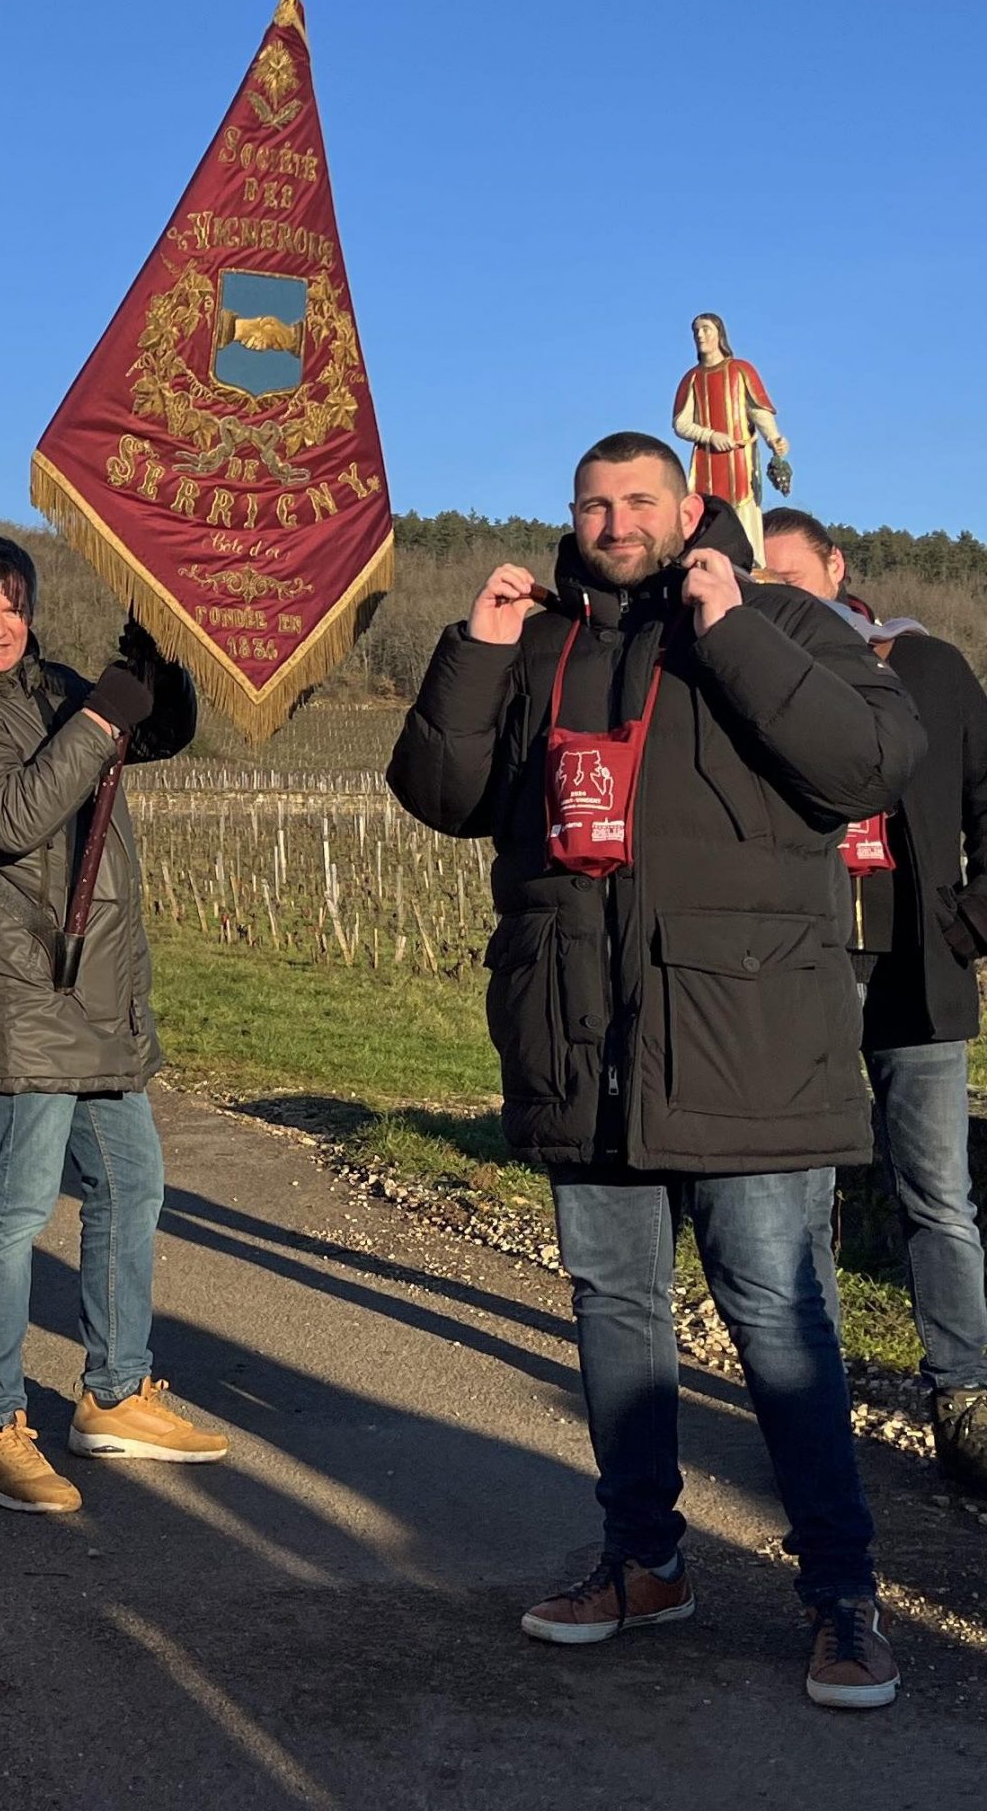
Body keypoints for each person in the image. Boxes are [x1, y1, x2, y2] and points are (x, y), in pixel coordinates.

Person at [389, 431, 921, 1710]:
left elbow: (865, 764)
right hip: (583, 1036)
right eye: (592, 502)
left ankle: (842, 1599)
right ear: (569, 517)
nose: (613, 519)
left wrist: (734, 628)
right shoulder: (549, 644)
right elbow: (440, 791)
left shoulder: (784, 617)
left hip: (748, 1044)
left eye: (638, 500)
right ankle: (643, 1561)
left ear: (687, 509)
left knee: (779, 1323)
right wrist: (475, 650)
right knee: (614, 1318)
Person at [0, 535, 226, 1515]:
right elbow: (8, 814)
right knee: (14, 1210)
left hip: (96, 984)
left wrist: (153, 664)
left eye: (12, 607)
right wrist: (97, 714)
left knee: (133, 1184)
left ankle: (115, 1394)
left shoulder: (51, 686)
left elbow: (151, 737)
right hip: (20, 987)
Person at [758, 507, 987, 1493]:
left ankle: (963, 1394)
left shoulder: (927, 671)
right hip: (804, 971)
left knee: (936, 1196)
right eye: (757, 586)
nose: (775, 600)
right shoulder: (750, 683)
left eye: (789, 580)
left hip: (918, 971)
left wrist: (968, 922)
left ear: (835, 569)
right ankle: (821, 1405)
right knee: (806, 1193)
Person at [670, 312, 787, 561]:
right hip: (706, 459)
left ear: (719, 333)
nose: (700, 335)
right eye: (696, 331)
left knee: (745, 508)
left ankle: (751, 562)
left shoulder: (740, 370)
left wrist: (773, 438)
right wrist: (710, 435)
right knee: (707, 510)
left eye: (706, 329)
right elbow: (681, 423)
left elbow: (758, 409)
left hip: (740, 458)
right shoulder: (692, 378)